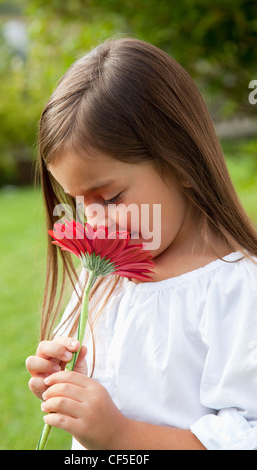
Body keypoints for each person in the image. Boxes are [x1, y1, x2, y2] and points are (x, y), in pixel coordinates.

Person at [25, 37, 257, 450]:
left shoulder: (236, 289)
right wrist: (62, 376)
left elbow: (245, 437)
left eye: (111, 198)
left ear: (180, 162)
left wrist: (122, 436)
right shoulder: (103, 271)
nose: (93, 220)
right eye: (78, 201)